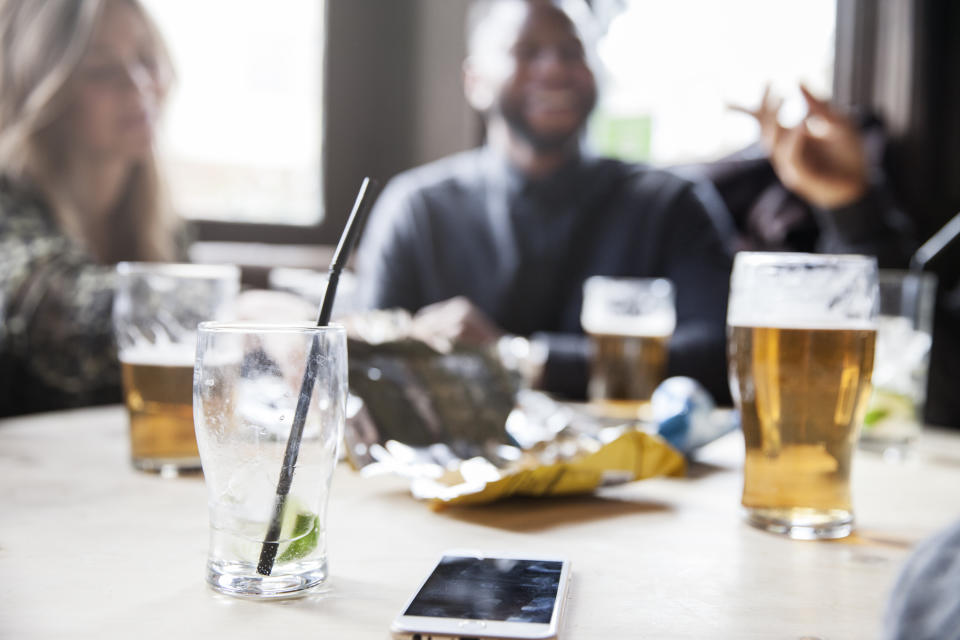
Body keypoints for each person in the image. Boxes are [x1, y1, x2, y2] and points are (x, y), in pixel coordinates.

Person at [356, 0, 734, 403]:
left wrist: (518, 359)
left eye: (572, 52)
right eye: (527, 51)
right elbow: (371, 364)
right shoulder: (417, 210)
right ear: (475, 80)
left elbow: (719, 355)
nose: (554, 68)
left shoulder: (669, 204)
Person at [0, 0, 179, 416]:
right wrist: (221, 310)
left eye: (147, 60)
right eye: (101, 70)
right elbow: (57, 312)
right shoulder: (8, 203)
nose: (139, 85)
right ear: (41, 89)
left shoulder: (160, 225)